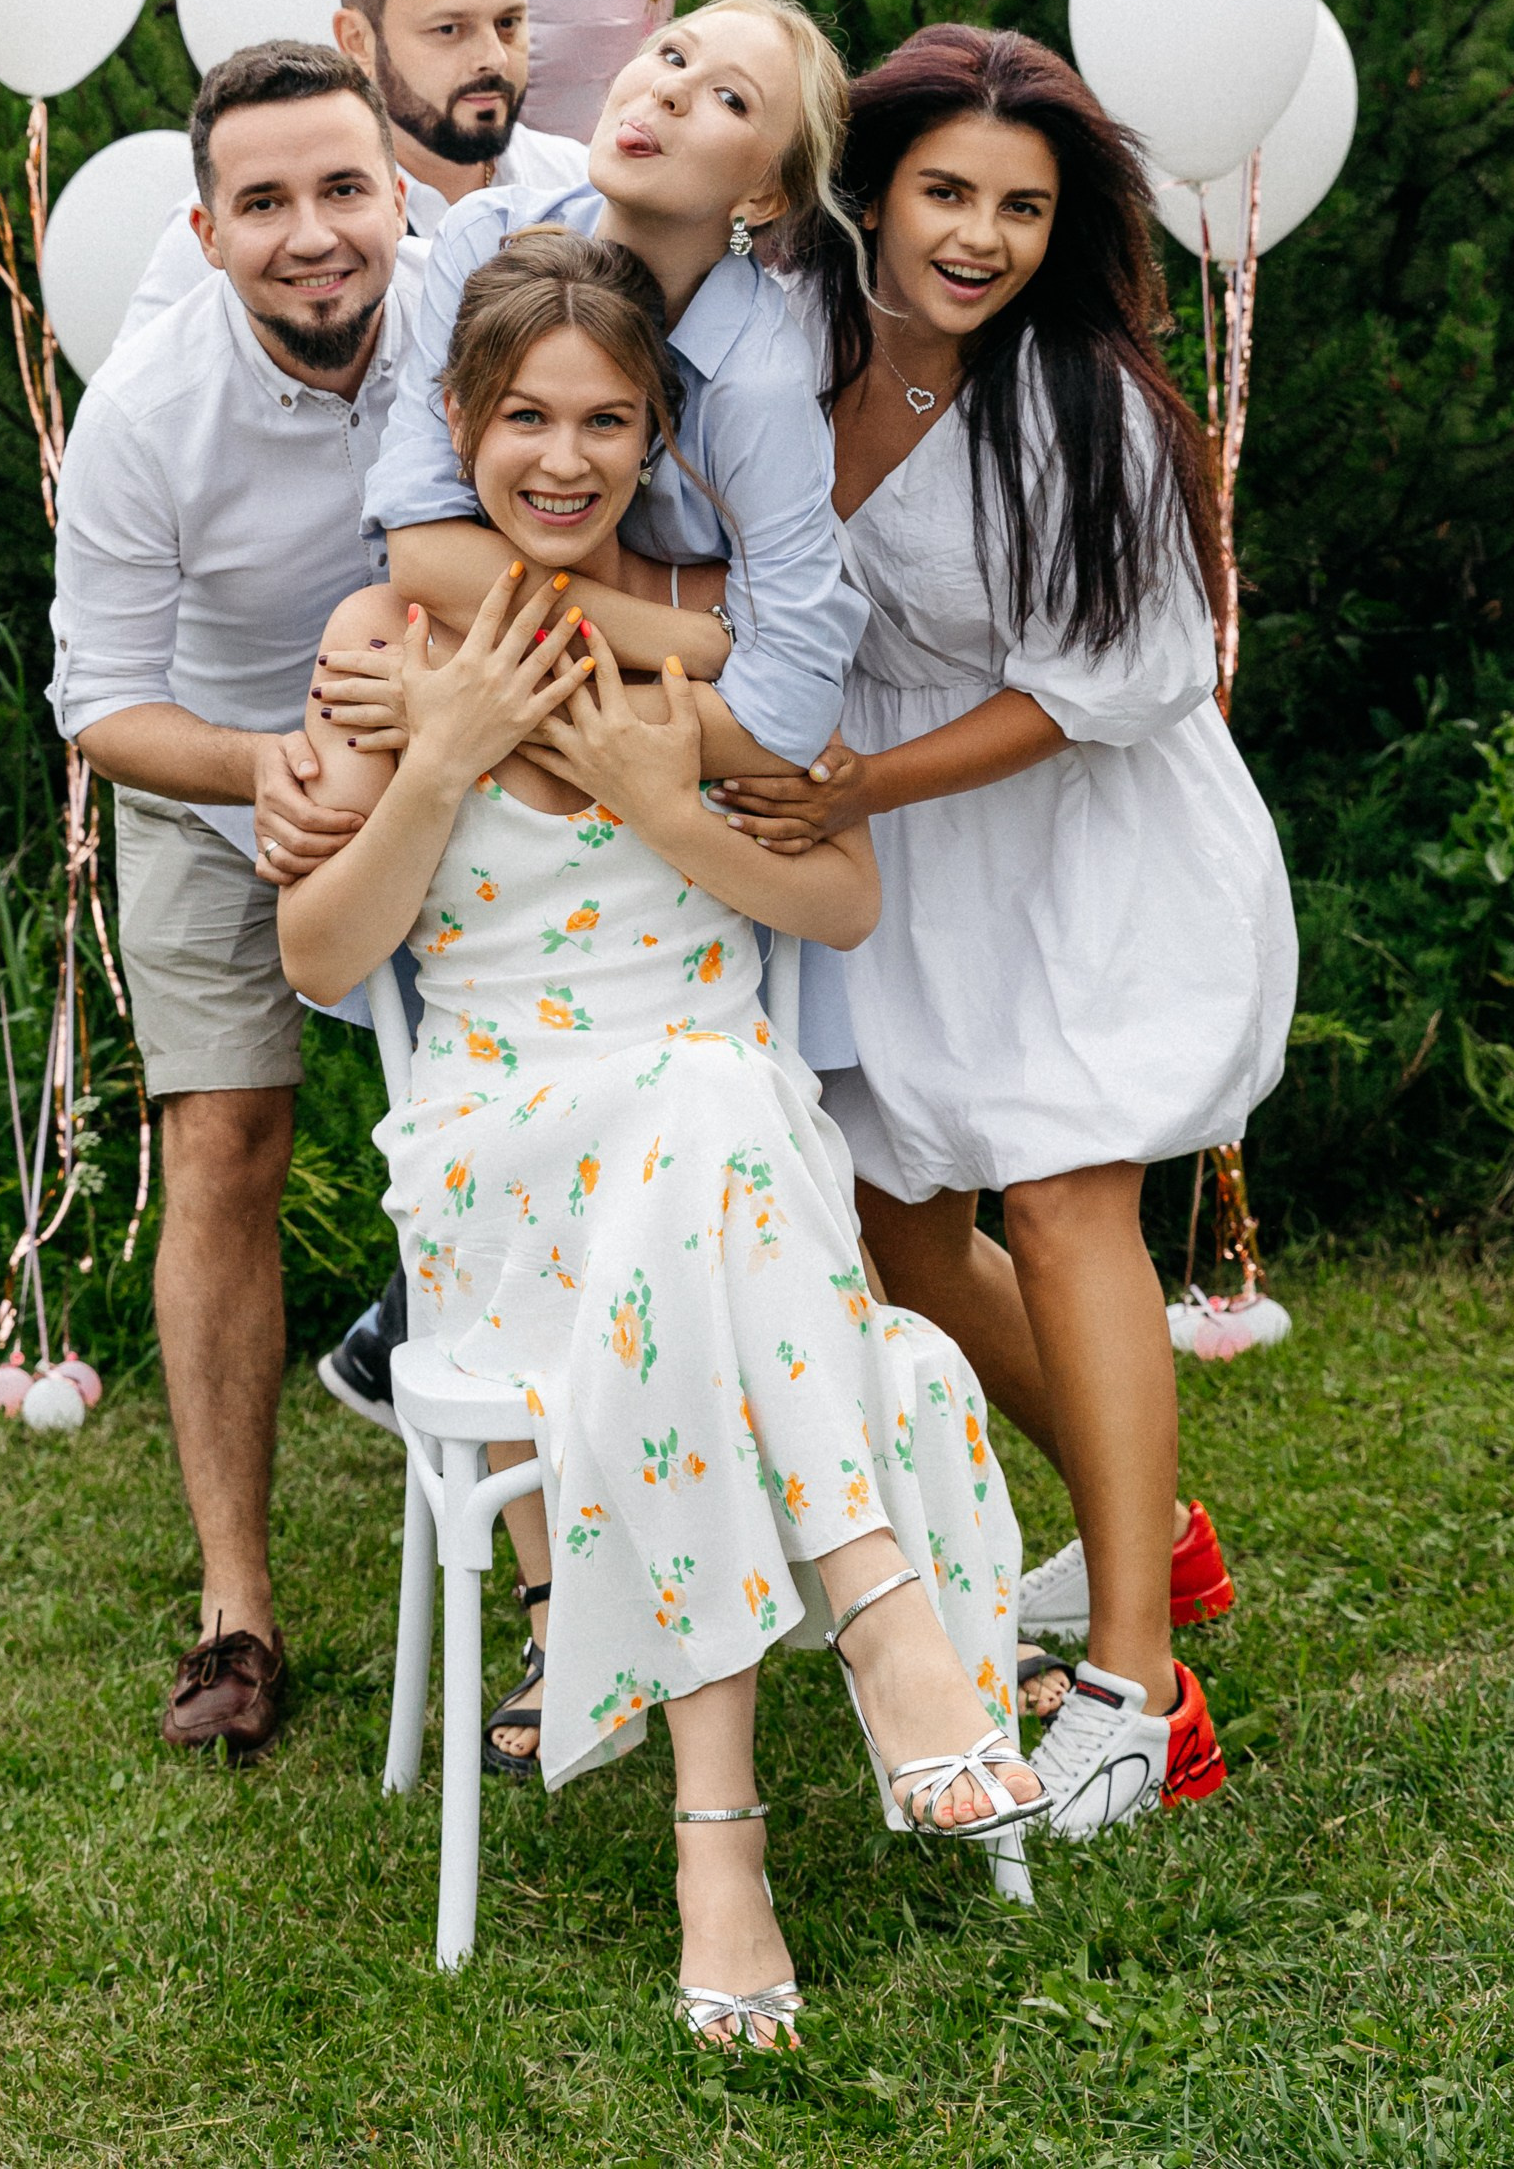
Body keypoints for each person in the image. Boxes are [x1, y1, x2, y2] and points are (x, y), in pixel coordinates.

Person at [277, 228, 1033, 2049]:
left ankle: (726, 1849)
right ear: (458, 425)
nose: (562, 457)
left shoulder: (728, 641)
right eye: (524, 416)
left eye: (606, 420)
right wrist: (445, 759)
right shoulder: (388, 644)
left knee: (707, 1103)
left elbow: (838, 901)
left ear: (657, 440)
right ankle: (885, 1622)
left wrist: (656, 803)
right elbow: (319, 953)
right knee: (712, 1111)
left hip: (719, 1152)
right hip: (498, 1152)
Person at [714, 23, 1296, 1838]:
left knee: (1058, 1199)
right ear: (869, 188)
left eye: (1025, 208)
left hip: (1087, 849)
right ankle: (1157, 1529)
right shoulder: (778, 342)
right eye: (948, 193)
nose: (980, 237)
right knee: (896, 1224)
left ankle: (1137, 1688)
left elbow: (1112, 680)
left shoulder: (1078, 400)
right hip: (903, 868)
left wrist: (855, 794)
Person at [312, 0, 867, 1558]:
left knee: (706, 1087)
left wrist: (570, 708)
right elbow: (419, 544)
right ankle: (634, 1592)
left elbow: (789, 692)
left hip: (639, 799)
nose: (670, 90)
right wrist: (677, 635)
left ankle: (654, 1601)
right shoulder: (496, 241)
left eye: (727, 98)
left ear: (762, 192)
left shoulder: (753, 375)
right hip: (536, 724)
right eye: (672, 54)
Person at [49, 39, 427, 1764]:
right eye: (263, 202)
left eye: (341, 189)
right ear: (204, 233)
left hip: (448, 774)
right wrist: (261, 765)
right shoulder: (141, 413)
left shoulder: (475, 323)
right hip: (213, 781)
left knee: (490, 1123)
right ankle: (236, 1610)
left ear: (399, 197)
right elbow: (99, 704)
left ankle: (553, 1578)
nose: (310, 234)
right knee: (227, 1153)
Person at [118, 0, 586, 345]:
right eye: (449, 29)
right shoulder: (241, 227)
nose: (494, 58)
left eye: (508, 23)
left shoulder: (582, 187)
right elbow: (135, 403)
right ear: (358, 40)